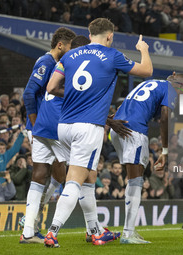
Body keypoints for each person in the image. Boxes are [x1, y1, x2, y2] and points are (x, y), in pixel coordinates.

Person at [44, 18, 152, 248]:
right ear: (110, 36)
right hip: (88, 127)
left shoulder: (69, 56)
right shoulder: (112, 55)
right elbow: (147, 70)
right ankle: (52, 231)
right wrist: (143, 50)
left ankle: (95, 231)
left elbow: (51, 87)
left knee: (89, 178)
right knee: (75, 179)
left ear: (89, 34)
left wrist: (74, 95)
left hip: (64, 126)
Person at [110, 74, 183, 244]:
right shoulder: (171, 88)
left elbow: (124, 104)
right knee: (136, 181)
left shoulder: (149, 84)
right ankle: (128, 233)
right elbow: (165, 117)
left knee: (132, 180)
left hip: (117, 128)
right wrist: (165, 150)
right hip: (133, 131)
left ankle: (129, 230)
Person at [20, 27, 76, 243]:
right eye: (70, 48)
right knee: (64, 172)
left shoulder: (56, 64)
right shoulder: (46, 62)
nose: (71, 53)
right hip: (41, 125)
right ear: (60, 45)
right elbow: (28, 93)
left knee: (44, 173)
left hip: (45, 124)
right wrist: (34, 124)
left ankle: (29, 229)